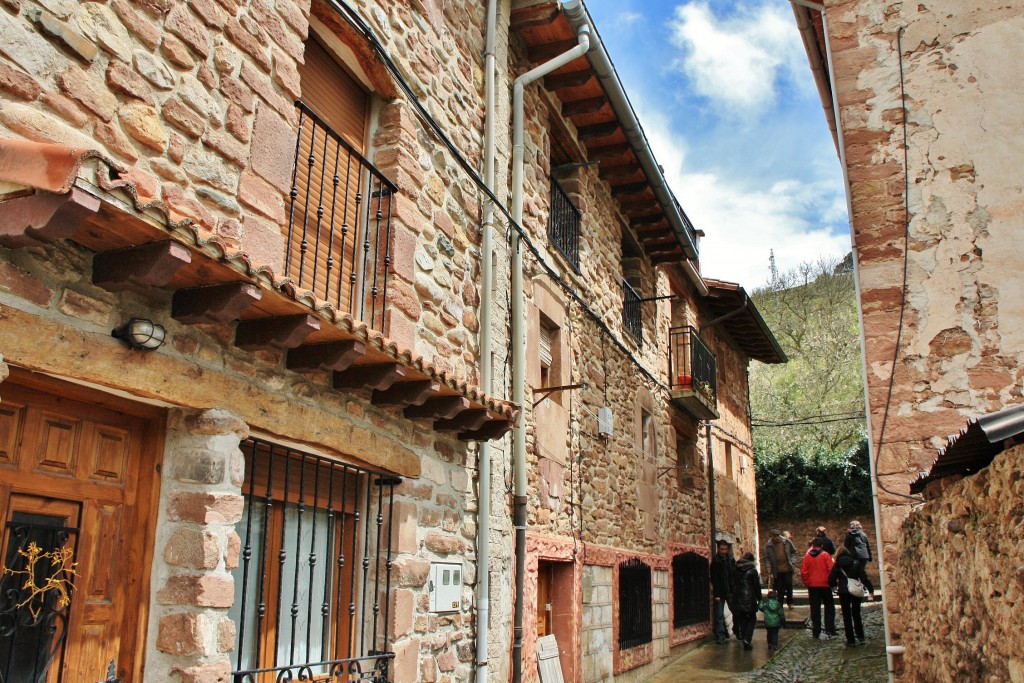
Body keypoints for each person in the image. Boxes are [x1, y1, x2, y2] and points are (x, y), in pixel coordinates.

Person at [829, 546, 869, 646]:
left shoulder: (837, 565)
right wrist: (870, 588)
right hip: (855, 590)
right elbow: (863, 577)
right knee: (856, 614)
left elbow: (831, 579)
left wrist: (835, 587)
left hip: (843, 591)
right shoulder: (856, 563)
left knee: (846, 616)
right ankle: (860, 636)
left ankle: (850, 640)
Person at [800, 536, 837, 641]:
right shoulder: (825, 555)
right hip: (825, 585)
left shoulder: (807, 556)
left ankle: (816, 631)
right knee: (829, 608)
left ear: (812, 546)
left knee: (815, 609)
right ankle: (830, 629)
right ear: (821, 546)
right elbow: (831, 569)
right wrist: (832, 583)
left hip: (813, 586)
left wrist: (808, 582)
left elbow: (804, 572)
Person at [729, 551, 762, 650]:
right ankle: (747, 639)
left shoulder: (735, 568)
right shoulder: (752, 570)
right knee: (752, 618)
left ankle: (744, 637)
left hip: (738, 596)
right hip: (749, 597)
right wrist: (759, 598)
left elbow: (732, 583)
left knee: (742, 618)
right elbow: (756, 586)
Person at [762, 529, 799, 609]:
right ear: (772, 536)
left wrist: (792, 562)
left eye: (778, 536)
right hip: (777, 570)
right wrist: (768, 567)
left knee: (789, 585)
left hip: (787, 568)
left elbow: (794, 552)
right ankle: (780, 603)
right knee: (779, 588)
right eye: (775, 536)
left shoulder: (786, 541)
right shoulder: (768, 545)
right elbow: (766, 558)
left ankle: (790, 602)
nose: (777, 538)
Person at [709, 539, 736, 644]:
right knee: (719, 614)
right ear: (718, 549)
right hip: (719, 592)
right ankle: (720, 635)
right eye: (722, 549)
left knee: (736, 612)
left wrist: (733, 588)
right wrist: (716, 594)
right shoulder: (715, 562)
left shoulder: (730, 559)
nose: (724, 551)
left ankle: (737, 630)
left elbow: (733, 575)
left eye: (725, 549)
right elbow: (714, 579)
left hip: (730, 591)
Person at [843, 520, 876, 600]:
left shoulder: (849, 535)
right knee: (862, 574)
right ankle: (870, 593)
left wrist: (846, 557)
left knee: (853, 575)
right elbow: (867, 546)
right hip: (863, 556)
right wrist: (870, 557)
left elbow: (846, 547)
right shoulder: (863, 534)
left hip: (854, 556)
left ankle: (856, 592)